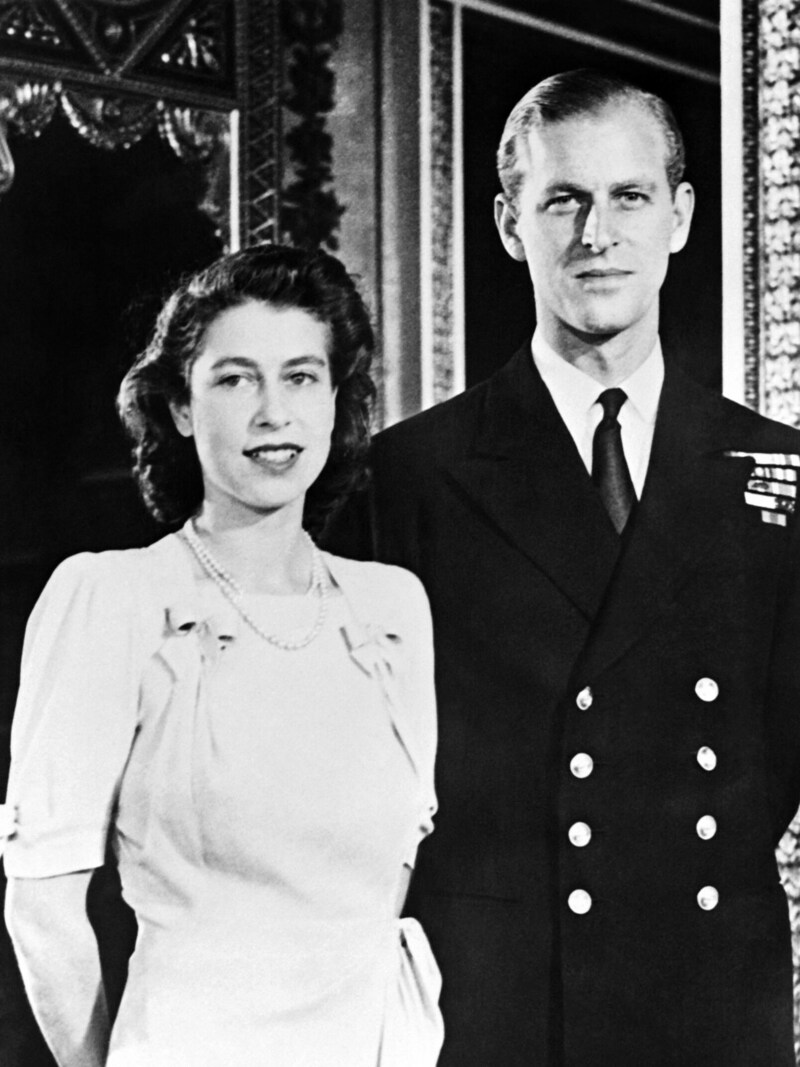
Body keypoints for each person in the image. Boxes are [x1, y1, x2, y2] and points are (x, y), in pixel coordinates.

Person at [326, 69, 800, 1065]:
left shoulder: (773, 468)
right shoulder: (414, 470)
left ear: (677, 216)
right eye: (562, 199)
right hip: (498, 991)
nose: (596, 232)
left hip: (706, 986)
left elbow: (778, 749)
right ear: (508, 223)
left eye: (628, 196)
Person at [0, 244, 443, 1066]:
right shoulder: (114, 600)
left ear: (335, 399)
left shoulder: (391, 610)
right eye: (236, 378)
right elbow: (41, 907)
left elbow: (383, 883)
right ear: (178, 406)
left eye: (302, 376)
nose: (274, 413)